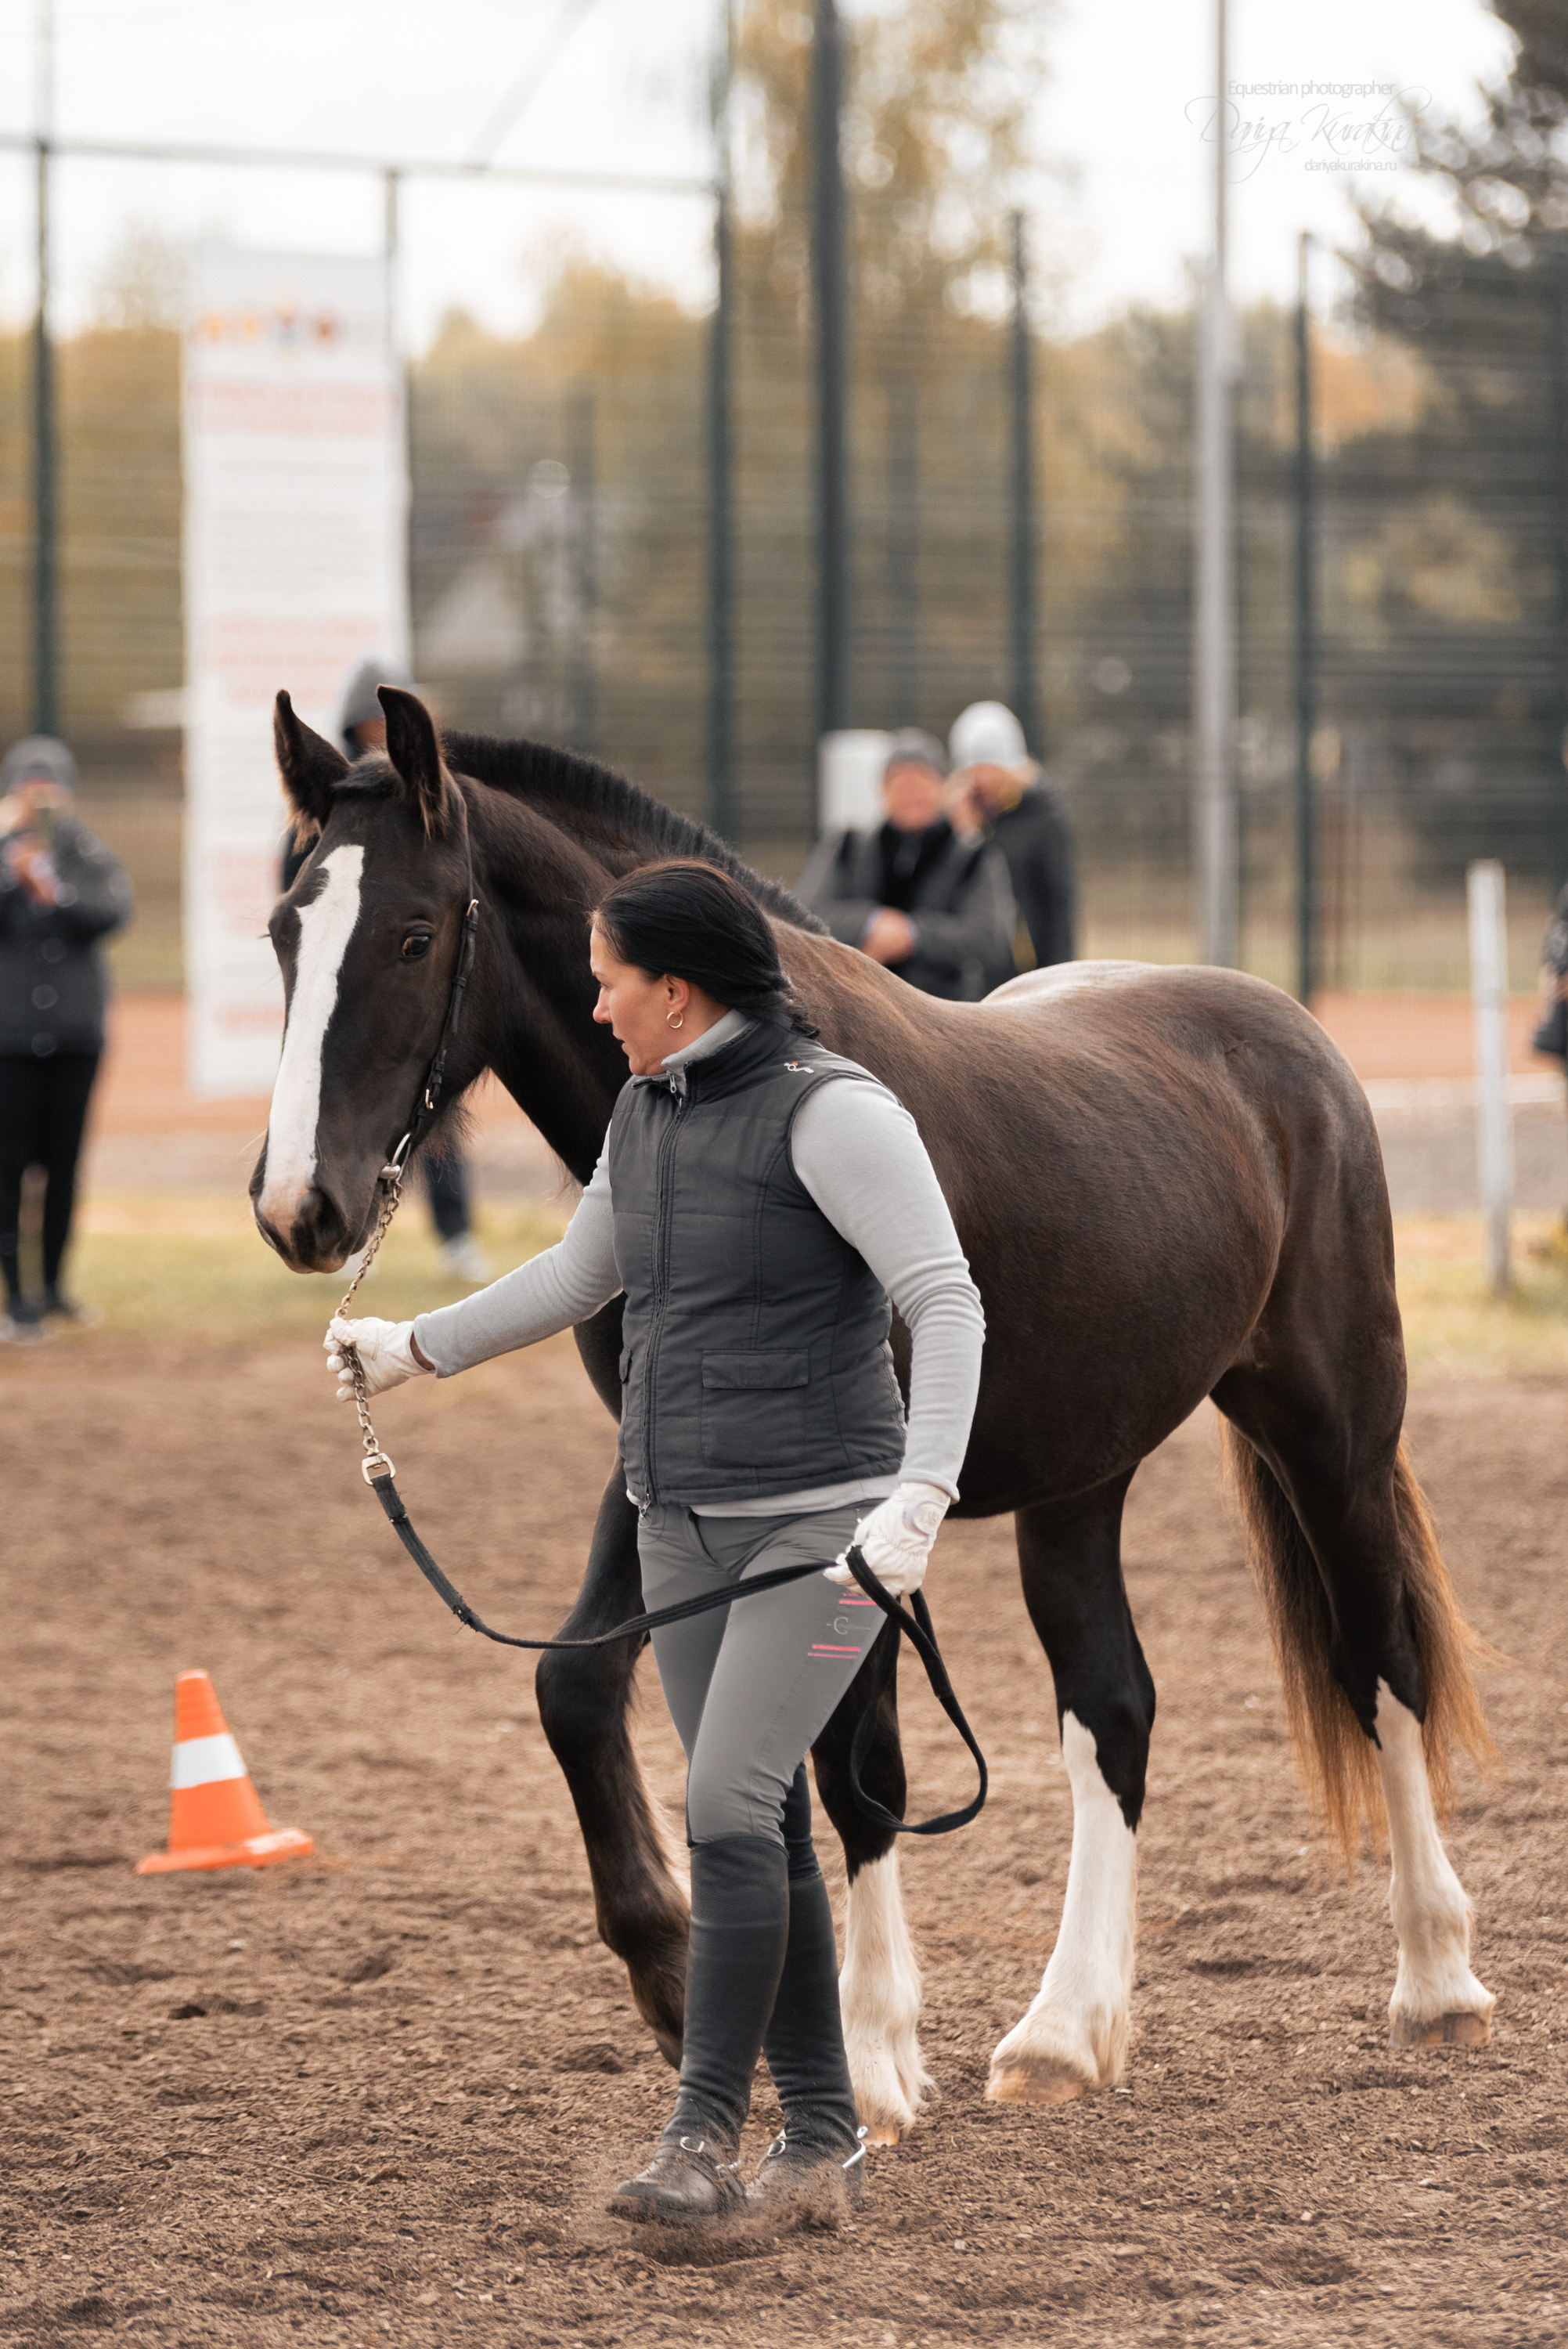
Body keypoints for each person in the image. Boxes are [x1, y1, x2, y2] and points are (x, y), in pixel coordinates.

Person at [326, 859, 984, 2228]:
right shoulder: (645, 1106)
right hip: (676, 1516)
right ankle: (819, 2133)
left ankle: (700, 2135)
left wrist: (916, 1498)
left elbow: (946, 1302)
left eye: (609, 979)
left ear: (674, 991)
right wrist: (412, 1352)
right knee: (762, 1817)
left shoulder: (836, 1114)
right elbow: (582, 1275)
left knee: (725, 1806)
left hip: (819, 1522)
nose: (595, 1001)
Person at [280, 655, 491, 1284]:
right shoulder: (331, 804)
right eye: (368, 721)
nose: (377, 730)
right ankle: (333, 1218)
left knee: (438, 1111)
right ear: (353, 725)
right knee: (335, 1112)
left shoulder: (432, 800)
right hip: (341, 996)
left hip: (404, 982)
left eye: (384, 721)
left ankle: (456, 1237)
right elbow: (303, 896)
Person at [0, 734, 132, 1344]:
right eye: (30, 790)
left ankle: (53, 1287)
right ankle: (15, 1298)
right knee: (9, 1169)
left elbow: (111, 913)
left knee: (63, 1168)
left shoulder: (87, 854)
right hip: (11, 1041)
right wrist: (12, 868)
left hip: (76, 1038)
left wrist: (54, 885)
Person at [796, 729, 1015, 1001]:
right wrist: (874, 923)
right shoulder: (847, 847)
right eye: (900, 783)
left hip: (943, 1010)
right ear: (882, 791)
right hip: (856, 1002)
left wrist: (913, 934)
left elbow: (989, 938)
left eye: (921, 781)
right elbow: (804, 912)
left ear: (942, 787)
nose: (911, 794)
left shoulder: (974, 857)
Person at [947, 700, 1076, 973]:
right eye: (974, 770)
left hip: (1028, 970)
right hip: (975, 972)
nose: (982, 779)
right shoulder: (961, 818)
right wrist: (964, 835)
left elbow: (1060, 909)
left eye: (991, 769)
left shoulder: (1044, 817)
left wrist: (1058, 976)